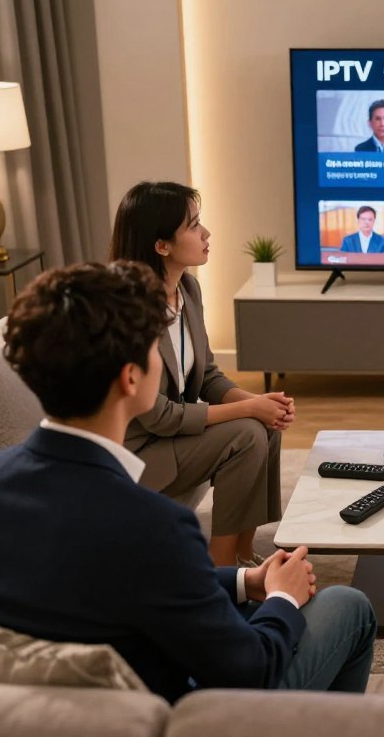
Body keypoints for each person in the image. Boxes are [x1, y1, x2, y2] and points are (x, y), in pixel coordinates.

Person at [0, 261, 376, 702]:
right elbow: (251, 669)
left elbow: (114, 582)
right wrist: (281, 599)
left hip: (42, 713)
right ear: (130, 377)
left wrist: (243, 583)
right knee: (349, 606)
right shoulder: (155, 525)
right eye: (154, 347)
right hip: (170, 713)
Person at [107, 182, 295, 567]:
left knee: (266, 426)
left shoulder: (187, 289)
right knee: (245, 433)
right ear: (162, 246)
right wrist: (249, 412)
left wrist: (261, 404)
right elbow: (157, 415)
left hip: (169, 439)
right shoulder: (127, 309)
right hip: (138, 454)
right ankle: (222, 568)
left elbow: (207, 375)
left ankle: (244, 553)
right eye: (194, 226)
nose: (206, 234)